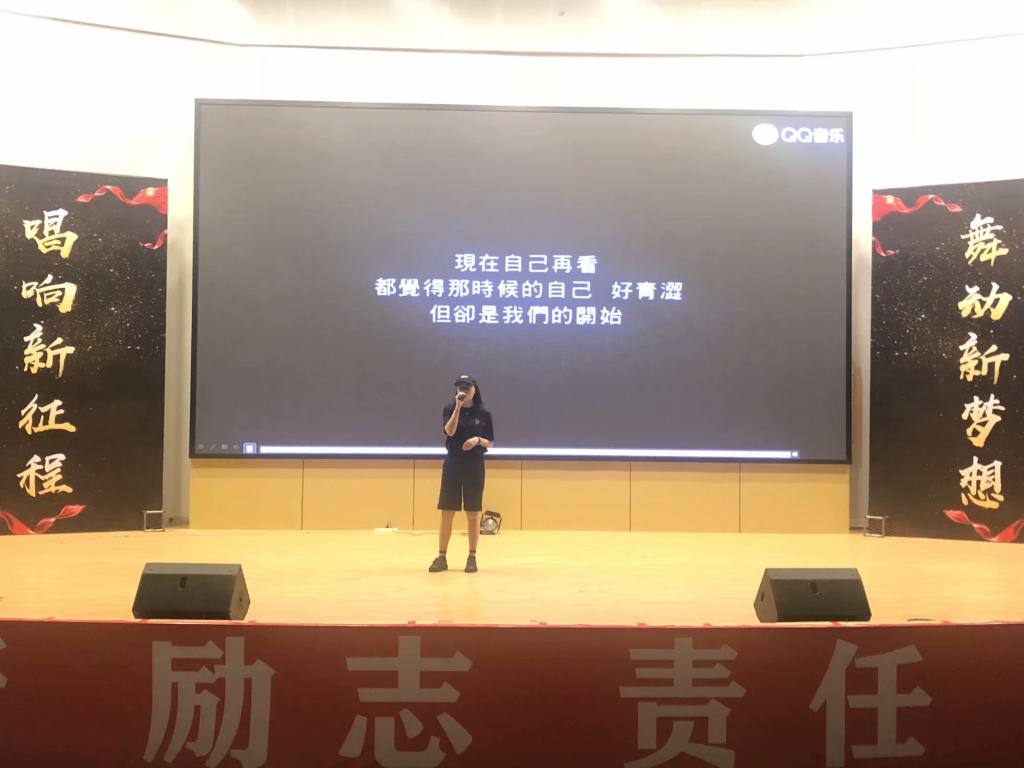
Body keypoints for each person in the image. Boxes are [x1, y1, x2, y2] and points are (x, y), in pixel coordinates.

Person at [429, 374, 495, 574]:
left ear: (475, 389)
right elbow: (449, 431)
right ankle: (442, 557)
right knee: (447, 511)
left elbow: (490, 442)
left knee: (473, 514)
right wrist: (458, 407)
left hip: (474, 465)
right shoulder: (449, 409)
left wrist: (477, 440)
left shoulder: (484, 414)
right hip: (453, 464)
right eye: (460, 387)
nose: (464, 391)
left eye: (467, 387)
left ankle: (472, 557)